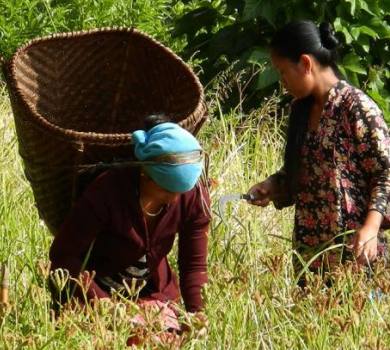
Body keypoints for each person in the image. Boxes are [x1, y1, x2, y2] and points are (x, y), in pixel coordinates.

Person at [49, 115, 210, 344]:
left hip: (151, 294)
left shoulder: (193, 197)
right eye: (166, 190)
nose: (174, 199)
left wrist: (197, 313)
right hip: (93, 291)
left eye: (181, 192)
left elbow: (194, 265)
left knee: (162, 342)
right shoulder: (107, 192)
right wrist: (102, 304)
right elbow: (64, 256)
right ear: (145, 173)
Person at [247, 20, 390, 278]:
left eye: (283, 72)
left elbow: (385, 174)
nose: (282, 82)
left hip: (355, 255)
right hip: (309, 258)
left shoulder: (357, 108)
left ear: (305, 63)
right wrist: (274, 185)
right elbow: (309, 171)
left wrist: (370, 227)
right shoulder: (300, 109)